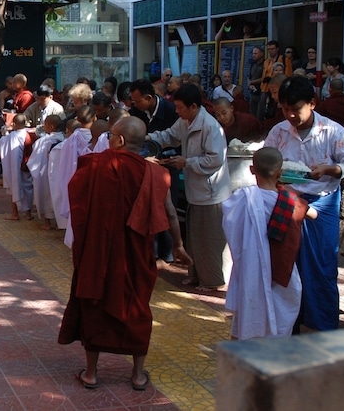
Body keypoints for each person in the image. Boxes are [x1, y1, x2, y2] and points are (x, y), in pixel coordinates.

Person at [58, 117, 192, 391]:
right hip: (136, 255)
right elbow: (169, 212)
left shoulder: (96, 165)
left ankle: (92, 373)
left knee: (95, 303)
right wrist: (178, 245)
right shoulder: (155, 174)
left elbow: (76, 195)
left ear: (118, 140)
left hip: (99, 251)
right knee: (137, 307)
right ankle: (137, 375)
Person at [264, 76, 344, 331]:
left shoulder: (334, 132)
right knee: (285, 265)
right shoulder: (279, 131)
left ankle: (322, 326)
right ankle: (288, 324)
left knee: (321, 265)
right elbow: (268, 162)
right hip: (287, 201)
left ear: (312, 103)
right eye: (285, 109)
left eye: (295, 110)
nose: (290, 116)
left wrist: (331, 169)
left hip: (322, 203)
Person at [222, 147, 315, 340]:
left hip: (251, 269)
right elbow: (314, 214)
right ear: (281, 173)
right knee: (280, 314)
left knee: (246, 317)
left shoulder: (242, 198)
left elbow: (230, 224)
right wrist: (288, 191)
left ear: (251, 169)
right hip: (280, 271)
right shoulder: (291, 202)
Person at [147, 84, 232, 291]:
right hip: (195, 189)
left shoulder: (211, 127)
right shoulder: (185, 121)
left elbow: (215, 159)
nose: (177, 111)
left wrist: (187, 162)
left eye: (180, 107)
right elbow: (168, 136)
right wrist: (144, 138)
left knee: (209, 239)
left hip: (211, 192)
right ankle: (196, 274)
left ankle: (214, 281)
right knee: (194, 236)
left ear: (193, 106)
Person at [27, 115, 65, 230]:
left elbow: (34, 161)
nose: (44, 127)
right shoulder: (64, 139)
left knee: (45, 195)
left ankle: (47, 223)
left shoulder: (43, 141)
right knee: (58, 196)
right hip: (59, 174)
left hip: (44, 173)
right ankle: (60, 224)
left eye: (45, 125)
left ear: (51, 126)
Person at [0, 114, 33, 220]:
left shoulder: (12, 136)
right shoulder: (29, 134)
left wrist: (4, 135)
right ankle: (28, 214)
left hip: (14, 168)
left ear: (14, 124)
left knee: (14, 187)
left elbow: (3, 143)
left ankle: (15, 214)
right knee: (28, 188)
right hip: (26, 167)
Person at [247, 45, 266, 118]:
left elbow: (264, 77)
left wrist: (252, 82)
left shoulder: (265, 64)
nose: (253, 55)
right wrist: (249, 84)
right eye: (253, 53)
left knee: (260, 114)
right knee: (252, 113)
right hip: (253, 92)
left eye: (255, 53)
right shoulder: (253, 63)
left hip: (261, 92)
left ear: (261, 54)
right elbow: (249, 76)